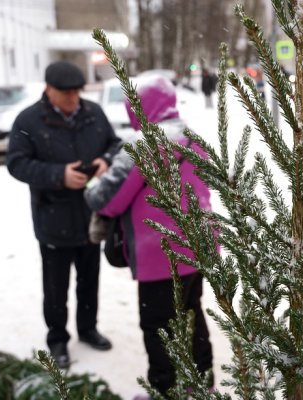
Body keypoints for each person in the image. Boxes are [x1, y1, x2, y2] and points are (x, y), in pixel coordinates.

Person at [84, 76, 214, 399]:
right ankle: (202, 383)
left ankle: (165, 390)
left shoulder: (144, 144)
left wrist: (91, 188)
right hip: (198, 246)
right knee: (191, 315)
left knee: (158, 327)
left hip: (160, 254)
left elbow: (106, 199)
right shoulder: (193, 137)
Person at [6, 61, 121, 369]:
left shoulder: (93, 113)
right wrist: (59, 175)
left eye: (76, 92)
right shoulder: (29, 120)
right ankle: (57, 339)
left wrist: (105, 161)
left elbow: (114, 144)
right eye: (66, 93)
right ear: (48, 90)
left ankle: (87, 329)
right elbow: (16, 163)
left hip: (90, 216)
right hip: (53, 218)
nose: (73, 99)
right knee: (56, 286)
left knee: (89, 280)